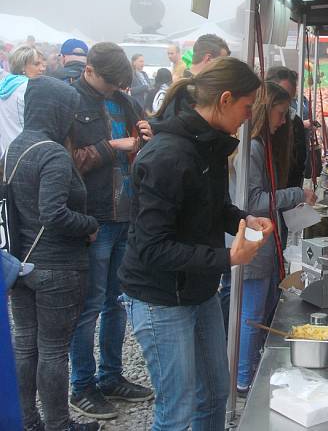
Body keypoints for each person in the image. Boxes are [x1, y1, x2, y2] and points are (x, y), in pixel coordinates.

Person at [118, 56, 271, 431]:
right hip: (158, 298)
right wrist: (227, 257)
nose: (248, 116)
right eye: (246, 107)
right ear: (225, 99)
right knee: (177, 410)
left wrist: (241, 219)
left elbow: (211, 206)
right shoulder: (167, 154)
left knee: (215, 395)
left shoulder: (211, 145)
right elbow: (152, 247)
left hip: (197, 290)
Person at [8, 76, 100, 431]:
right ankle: (59, 425)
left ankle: (28, 422)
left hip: (21, 265)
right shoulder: (53, 153)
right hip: (57, 268)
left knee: (26, 346)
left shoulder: (16, 146)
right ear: (59, 111)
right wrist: (89, 223)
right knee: (52, 350)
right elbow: (53, 213)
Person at [68, 43, 153, 420]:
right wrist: (110, 146)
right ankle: (81, 385)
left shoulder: (124, 99)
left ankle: (111, 376)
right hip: (95, 217)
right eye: (108, 81)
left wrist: (149, 131)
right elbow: (67, 160)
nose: (112, 88)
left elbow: (145, 135)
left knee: (117, 302)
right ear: (88, 70)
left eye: (119, 83)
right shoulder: (70, 100)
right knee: (89, 307)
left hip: (126, 213)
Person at [232, 81, 316, 392]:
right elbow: (252, 201)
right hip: (254, 242)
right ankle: (242, 377)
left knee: (260, 307)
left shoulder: (259, 145)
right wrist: (296, 194)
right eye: (280, 114)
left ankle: (249, 368)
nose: (283, 122)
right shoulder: (251, 147)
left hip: (264, 240)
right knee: (252, 313)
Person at [0, 46, 46, 160]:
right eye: (36, 64)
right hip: (26, 154)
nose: (42, 68)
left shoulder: (5, 84)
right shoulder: (30, 88)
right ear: (22, 67)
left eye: (42, 64)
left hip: (6, 152)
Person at [265, 67, 307, 188]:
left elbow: (299, 164)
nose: (287, 104)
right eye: (282, 95)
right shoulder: (252, 137)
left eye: (290, 98)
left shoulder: (295, 122)